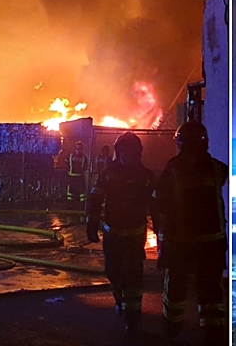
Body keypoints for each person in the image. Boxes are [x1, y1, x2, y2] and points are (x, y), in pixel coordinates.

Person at [155, 121, 228, 346]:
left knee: (176, 287)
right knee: (211, 289)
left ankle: (172, 328)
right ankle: (213, 331)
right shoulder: (218, 168)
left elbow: (159, 203)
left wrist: (162, 241)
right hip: (213, 242)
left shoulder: (173, 168)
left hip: (180, 242)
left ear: (180, 143)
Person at [86, 132, 156, 334]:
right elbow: (95, 199)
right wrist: (91, 225)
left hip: (135, 235)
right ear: (119, 153)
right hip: (112, 232)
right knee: (112, 271)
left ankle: (132, 319)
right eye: (124, 152)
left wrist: (162, 234)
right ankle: (120, 298)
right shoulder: (109, 173)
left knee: (134, 275)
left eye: (132, 152)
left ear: (139, 153)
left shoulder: (146, 176)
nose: (128, 156)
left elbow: (157, 208)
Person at [67, 140, 88, 205]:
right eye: (77, 148)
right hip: (71, 176)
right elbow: (67, 164)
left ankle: (81, 205)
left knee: (82, 192)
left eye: (80, 149)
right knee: (71, 191)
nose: (78, 150)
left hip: (79, 176)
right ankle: (70, 204)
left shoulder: (84, 157)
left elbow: (85, 166)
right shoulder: (70, 155)